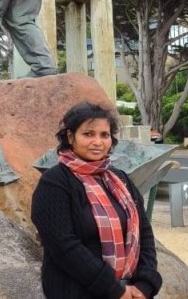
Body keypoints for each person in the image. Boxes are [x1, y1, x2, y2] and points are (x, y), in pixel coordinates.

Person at [32, 103, 162, 299]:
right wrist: (114, 290)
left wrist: (145, 283)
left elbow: (144, 232)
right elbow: (63, 246)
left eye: (104, 135)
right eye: (88, 134)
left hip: (130, 291)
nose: (98, 142)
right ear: (70, 137)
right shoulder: (55, 182)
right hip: (77, 292)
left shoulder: (120, 179)